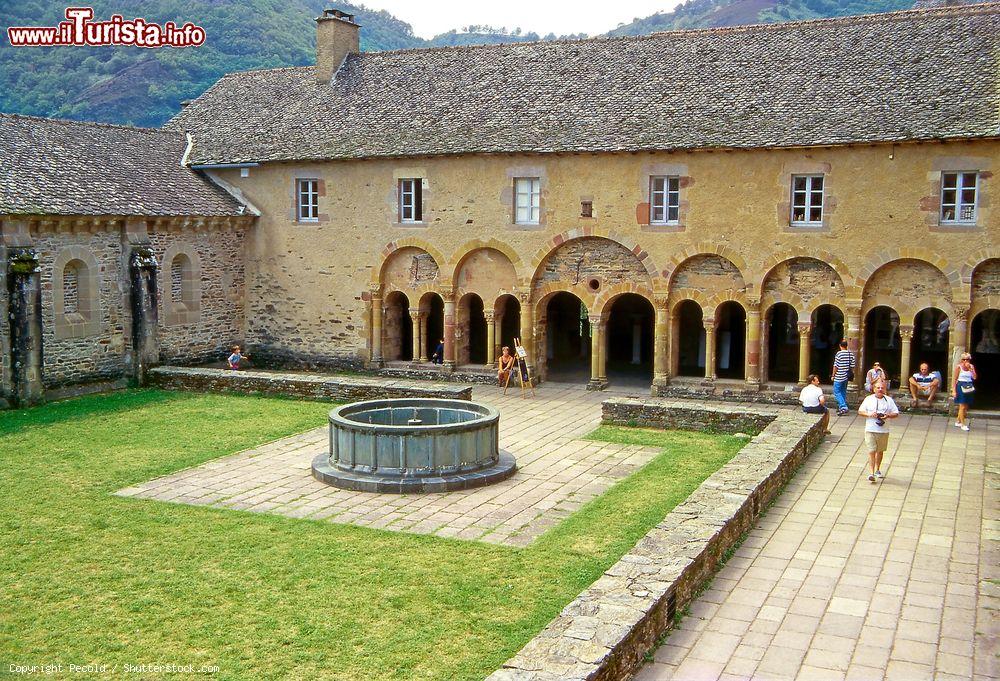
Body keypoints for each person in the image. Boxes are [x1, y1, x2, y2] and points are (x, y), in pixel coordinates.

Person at [858, 380, 899, 483]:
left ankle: (877, 469)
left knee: (880, 451)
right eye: (878, 388)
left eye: (882, 388)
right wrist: (870, 414)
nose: (880, 389)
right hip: (870, 429)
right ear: (874, 389)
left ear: (885, 389)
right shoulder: (868, 399)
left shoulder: (889, 400)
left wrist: (888, 415)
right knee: (871, 451)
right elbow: (860, 411)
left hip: (883, 430)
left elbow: (896, 413)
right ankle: (871, 473)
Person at [952, 352, 977, 431]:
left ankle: (958, 421)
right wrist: (954, 390)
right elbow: (954, 379)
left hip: (969, 386)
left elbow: (975, 377)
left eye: (967, 359)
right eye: (963, 359)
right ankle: (963, 424)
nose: (965, 361)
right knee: (962, 406)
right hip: (961, 385)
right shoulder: (958, 367)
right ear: (961, 360)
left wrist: (971, 369)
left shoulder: (971, 367)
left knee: (966, 406)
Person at [831, 340, 856, 415]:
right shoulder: (850, 354)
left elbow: (836, 366)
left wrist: (833, 375)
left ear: (840, 345)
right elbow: (852, 366)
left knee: (836, 392)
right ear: (846, 346)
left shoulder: (839, 354)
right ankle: (840, 407)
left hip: (839, 376)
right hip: (846, 376)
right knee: (843, 392)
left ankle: (843, 406)